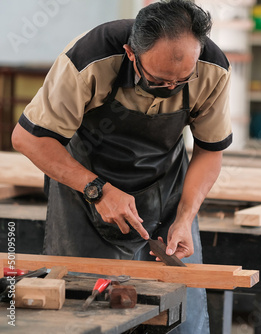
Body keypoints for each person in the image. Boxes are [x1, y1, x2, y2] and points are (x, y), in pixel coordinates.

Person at [11, 0, 232, 333]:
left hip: (167, 191)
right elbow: (27, 139)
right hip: (84, 194)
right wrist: (97, 190)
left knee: (184, 315)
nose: (170, 89)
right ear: (131, 53)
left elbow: (209, 150)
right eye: (158, 81)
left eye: (182, 81)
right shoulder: (89, 58)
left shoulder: (213, 68)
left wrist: (185, 218)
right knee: (81, 314)